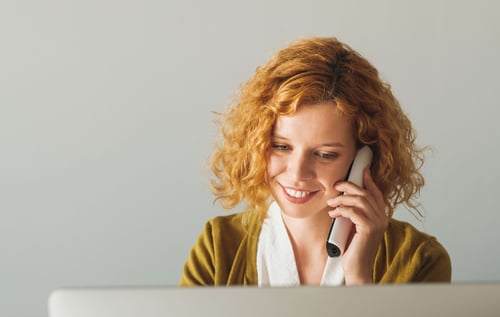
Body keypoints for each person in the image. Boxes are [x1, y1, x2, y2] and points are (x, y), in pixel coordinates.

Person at [180, 37, 451, 286]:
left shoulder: (420, 259)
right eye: (282, 147)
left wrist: (359, 276)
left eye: (324, 154)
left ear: (364, 158)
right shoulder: (217, 247)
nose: (297, 173)